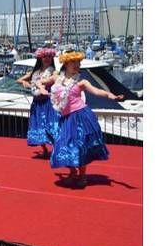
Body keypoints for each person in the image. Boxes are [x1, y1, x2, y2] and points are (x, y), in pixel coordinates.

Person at [45, 51, 123, 187]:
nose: (76, 65)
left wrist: (111, 96)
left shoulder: (81, 81)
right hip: (64, 118)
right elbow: (42, 81)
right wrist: (39, 87)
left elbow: (96, 91)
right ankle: (72, 171)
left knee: (80, 146)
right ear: (66, 64)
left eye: (78, 63)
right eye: (72, 63)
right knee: (61, 145)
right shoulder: (57, 78)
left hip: (80, 116)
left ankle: (82, 176)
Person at [16, 47, 60, 158]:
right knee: (37, 125)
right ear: (40, 58)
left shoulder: (53, 72)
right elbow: (19, 80)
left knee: (51, 126)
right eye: (45, 57)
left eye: (49, 57)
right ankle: (45, 150)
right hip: (37, 103)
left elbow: (57, 79)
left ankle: (56, 149)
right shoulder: (35, 72)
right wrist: (24, 83)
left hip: (48, 103)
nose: (47, 59)